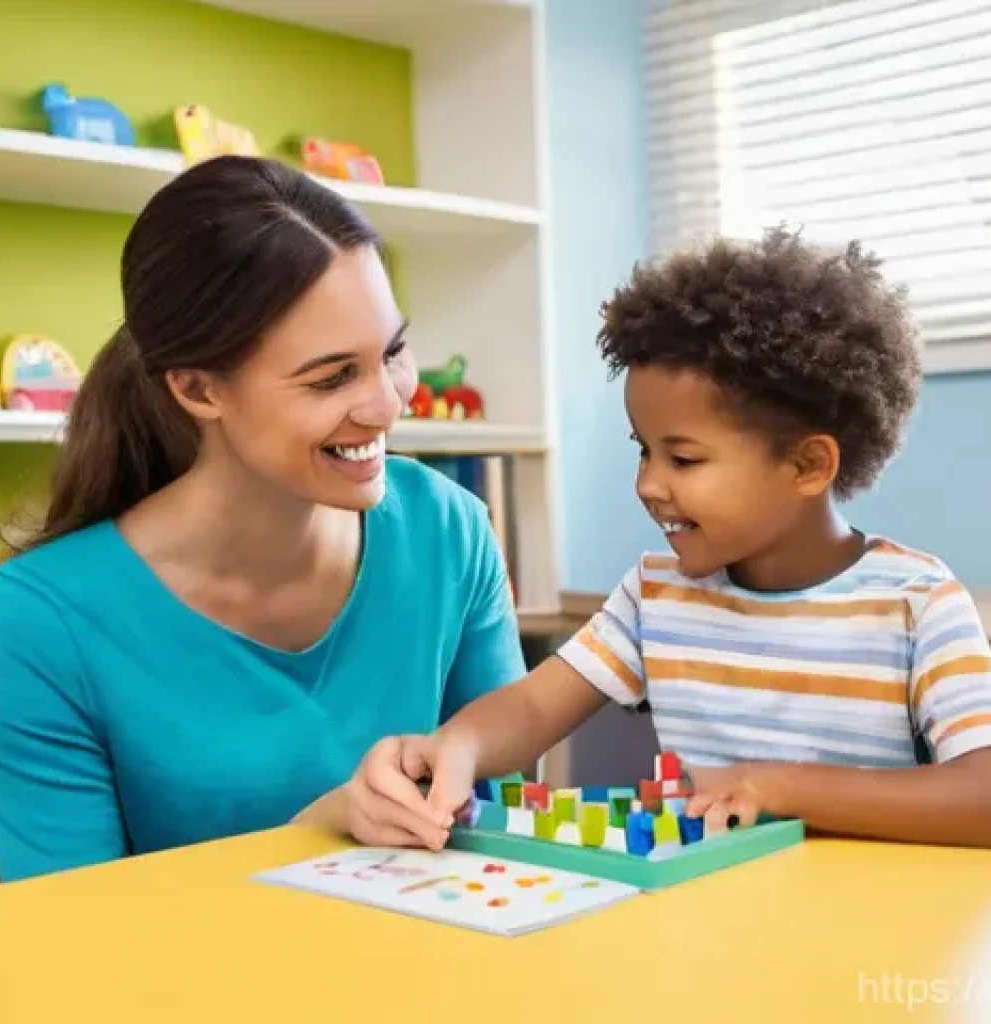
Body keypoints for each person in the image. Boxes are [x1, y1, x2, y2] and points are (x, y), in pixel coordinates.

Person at [0, 156, 522, 882]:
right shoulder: (40, 624)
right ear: (199, 389)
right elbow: (79, 946)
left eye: (390, 352)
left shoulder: (450, 533)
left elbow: (511, 833)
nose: (389, 404)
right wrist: (318, 833)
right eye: (332, 377)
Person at [355, 226, 991, 848]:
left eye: (683, 460)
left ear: (807, 466)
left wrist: (779, 786)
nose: (650, 485)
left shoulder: (918, 603)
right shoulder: (656, 597)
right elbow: (527, 711)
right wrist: (456, 747)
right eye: (644, 451)